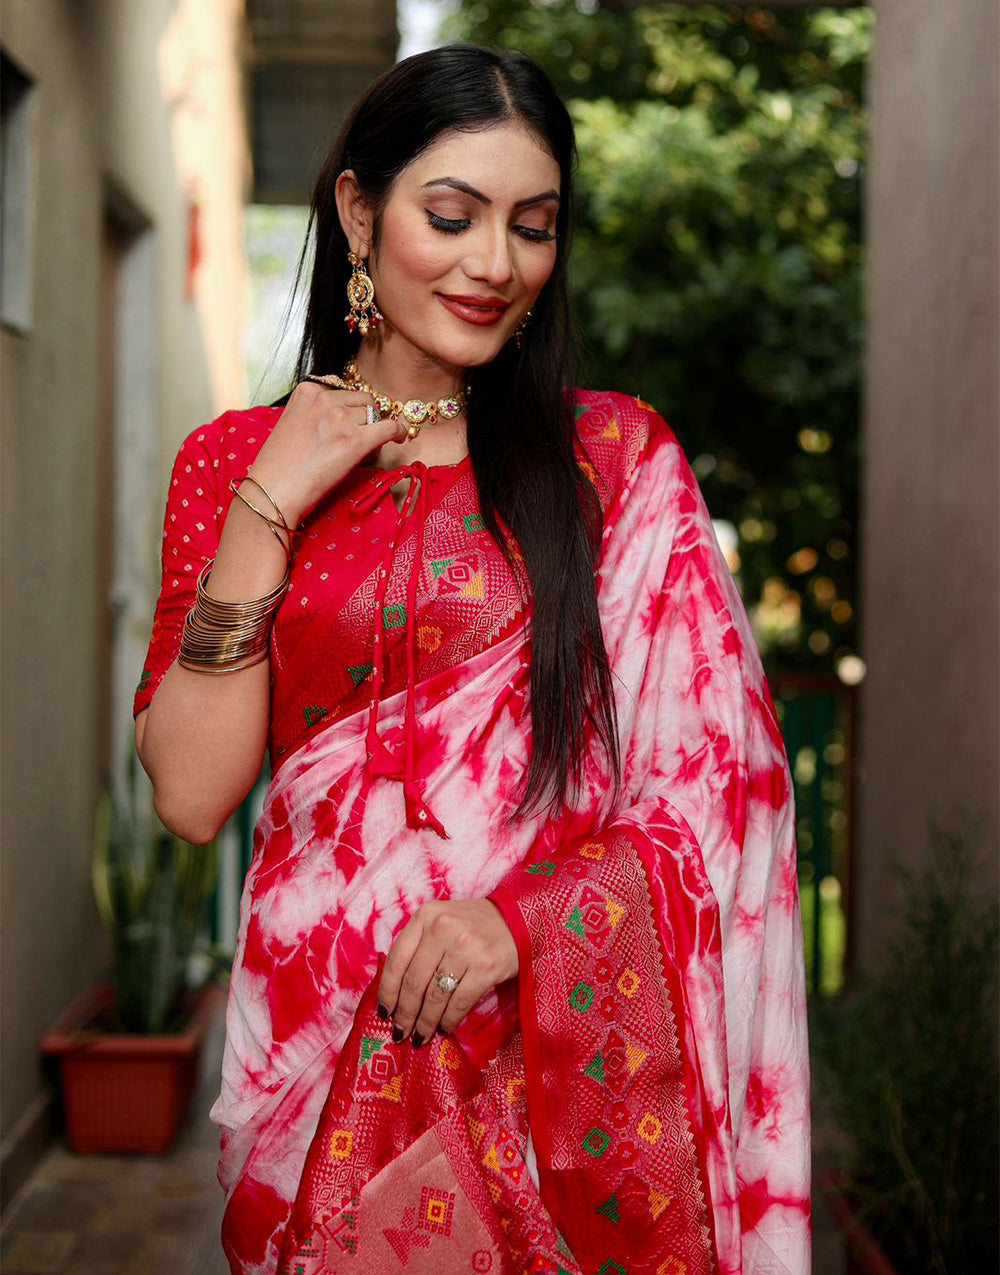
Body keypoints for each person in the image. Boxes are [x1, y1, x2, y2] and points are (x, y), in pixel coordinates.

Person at [134, 42, 811, 1275]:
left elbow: (725, 791)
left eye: (532, 227)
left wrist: (528, 926)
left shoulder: (616, 465)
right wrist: (269, 502)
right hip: (308, 1054)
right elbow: (188, 795)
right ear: (356, 208)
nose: (495, 265)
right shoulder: (228, 463)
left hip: (552, 1072)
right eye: (451, 216)